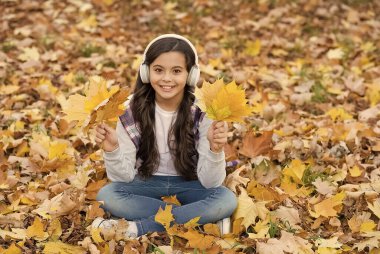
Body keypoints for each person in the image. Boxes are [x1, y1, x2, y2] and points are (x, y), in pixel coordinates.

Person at [92, 34, 237, 238]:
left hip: (190, 184)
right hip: (145, 182)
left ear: (191, 75)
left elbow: (211, 183)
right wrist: (112, 150)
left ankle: (137, 228)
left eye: (176, 71)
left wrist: (215, 150)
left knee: (225, 199)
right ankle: (198, 220)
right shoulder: (127, 111)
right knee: (107, 195)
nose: (167, 78)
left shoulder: (205, 112)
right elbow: (122, 178)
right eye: (158, 70)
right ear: (146, 71)